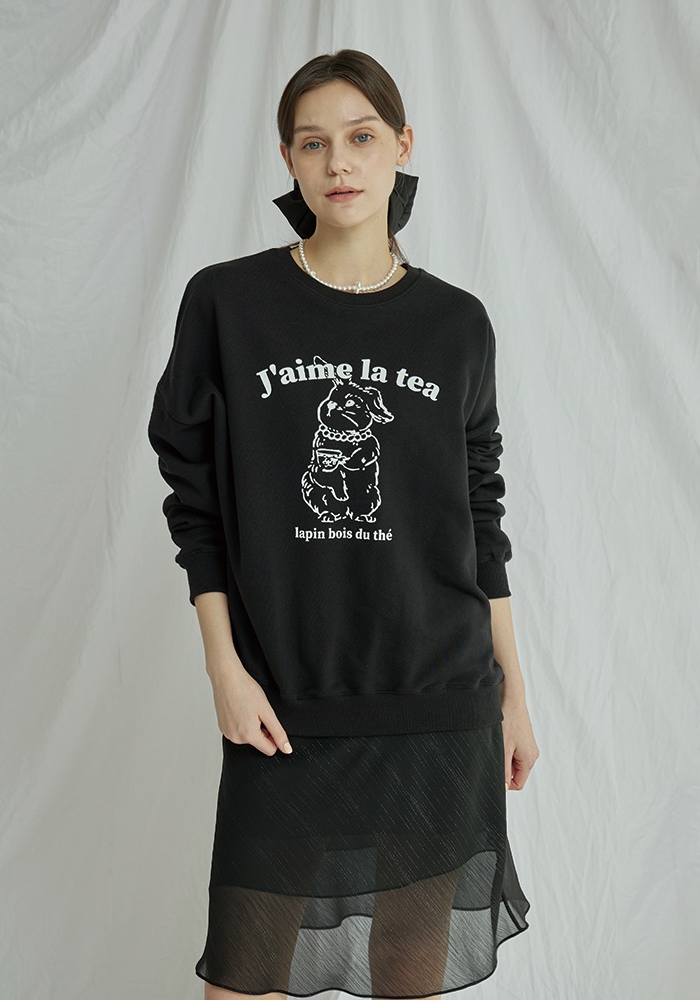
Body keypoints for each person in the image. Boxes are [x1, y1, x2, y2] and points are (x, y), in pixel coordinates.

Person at [147, 49, 540, 1000]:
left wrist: (515, 692)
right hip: (287, 701)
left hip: (437, 702)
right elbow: (194, 500)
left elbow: (480, 516)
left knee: (409, 975)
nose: (340, 163)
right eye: (314, 143)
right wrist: (224, 667)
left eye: (361, 137)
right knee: (242, 982)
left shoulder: (455, 323)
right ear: (288, 159)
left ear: (402, 146)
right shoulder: (229, 303)